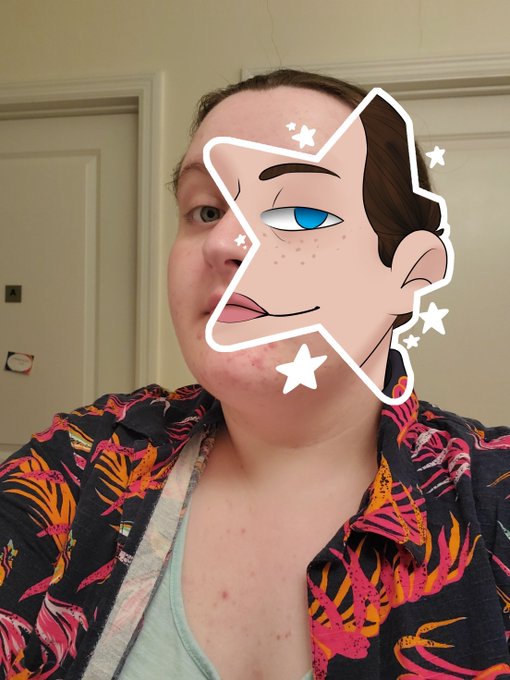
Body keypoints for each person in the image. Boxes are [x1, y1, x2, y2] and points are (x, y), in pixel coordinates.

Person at [0, 69, 509, 680]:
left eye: (302, 212)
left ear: (408, 271)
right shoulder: (77, 463)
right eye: (206, 209)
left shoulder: (492, 503)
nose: (224, 242)